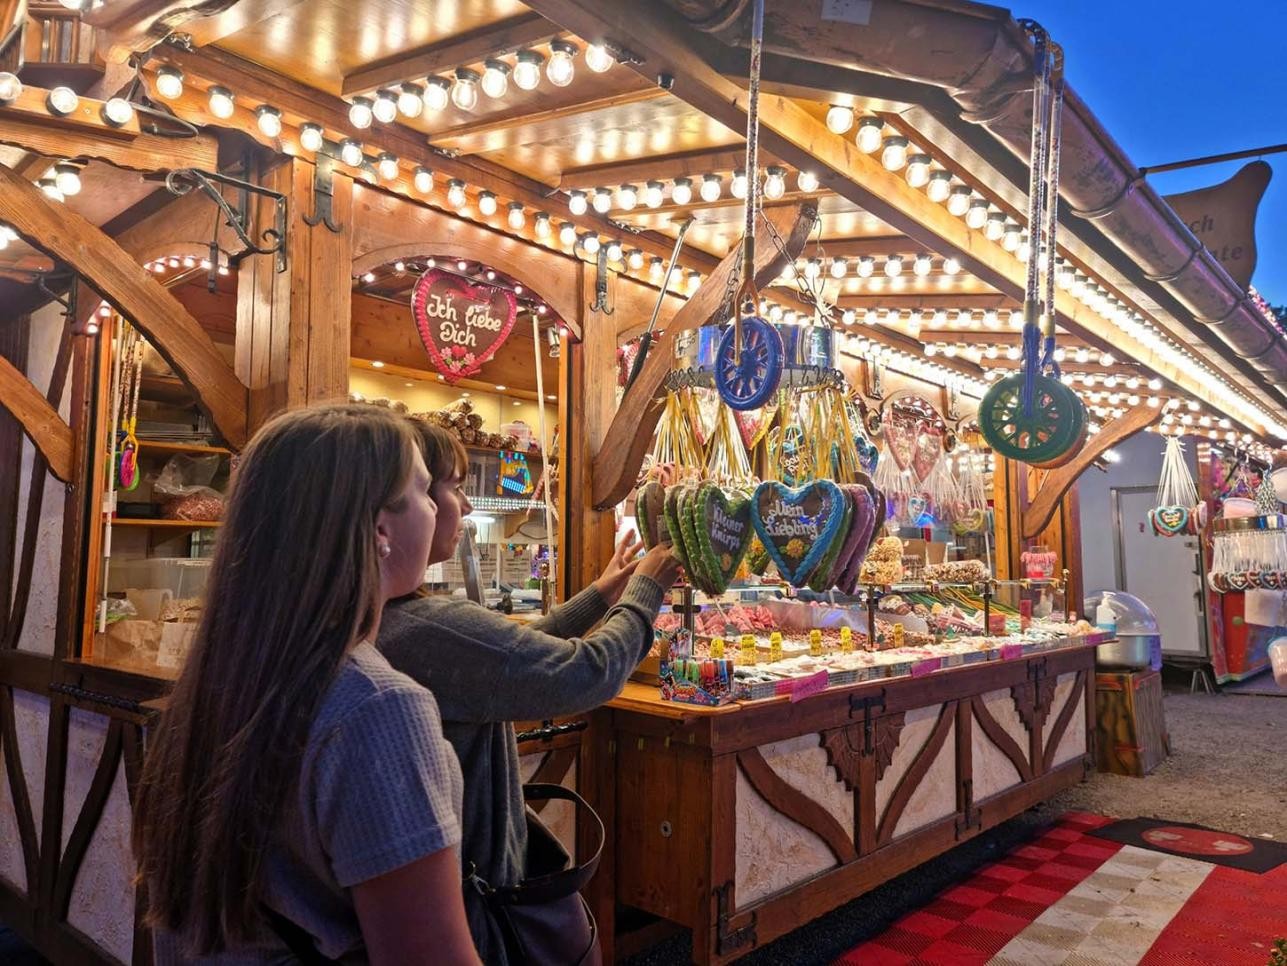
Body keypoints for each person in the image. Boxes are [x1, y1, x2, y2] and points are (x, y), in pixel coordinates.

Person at [134, 404, 481, 965]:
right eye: (425, 488)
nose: (447, 507)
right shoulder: (380, 709)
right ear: (380, 528)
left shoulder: (215, 682)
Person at [378, 419, 681, 964]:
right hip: (472, 897)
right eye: (444, 487)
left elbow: (509, 650)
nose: (465, 507)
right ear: (381, 521)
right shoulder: (423, 629)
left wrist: (601, 594)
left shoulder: (394, 622)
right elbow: (583, 673)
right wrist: (646, 590)